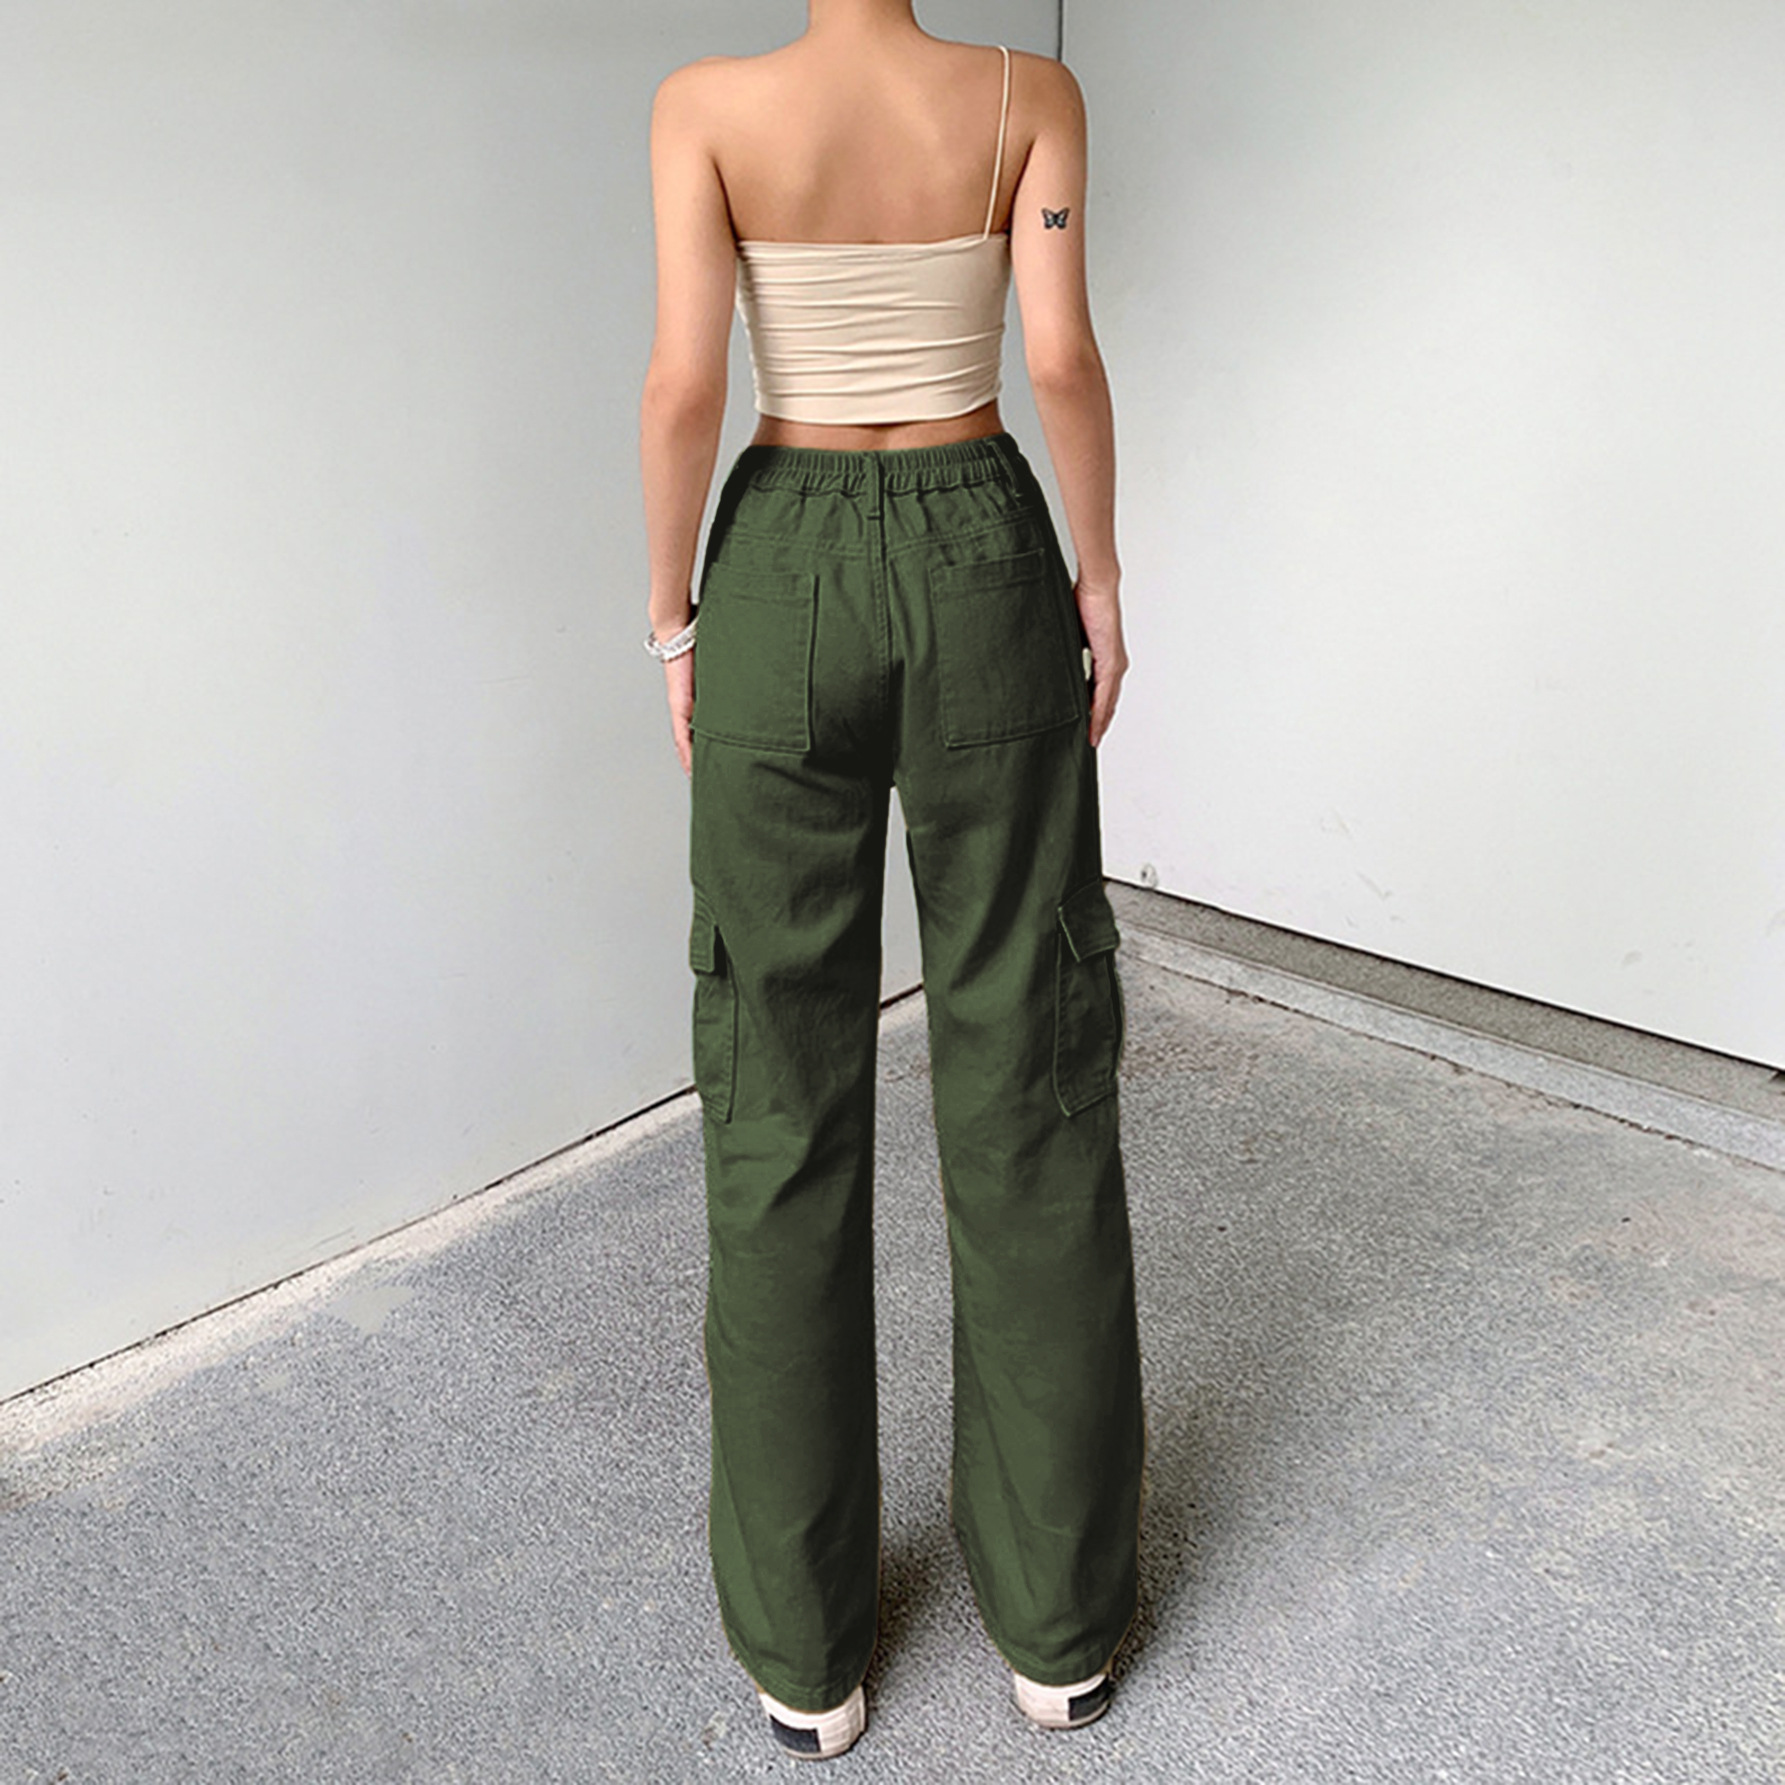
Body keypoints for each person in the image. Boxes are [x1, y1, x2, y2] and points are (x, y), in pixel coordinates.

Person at [639, 1, 1145, 1761]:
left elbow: (684, 383)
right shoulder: (1024, 93)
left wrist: (670, 620)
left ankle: (807, 1658)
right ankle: (1057, 1636)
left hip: (779, 559)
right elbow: (1058, 357)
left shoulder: (707, 106)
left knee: (775, 1092)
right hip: (979, 543)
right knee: (1028, 1062)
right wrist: (1096, 575)